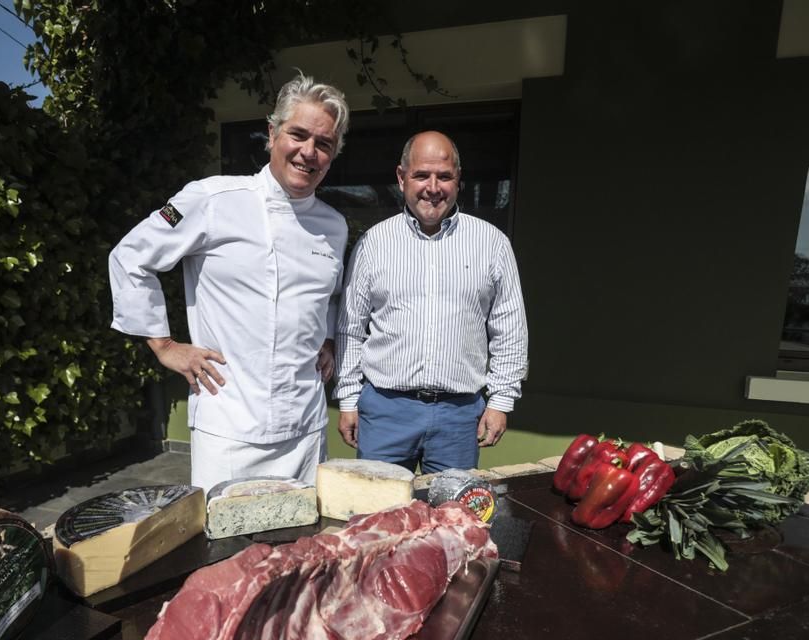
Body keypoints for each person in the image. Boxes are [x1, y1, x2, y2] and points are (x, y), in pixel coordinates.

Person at [108, 72, 350, 492]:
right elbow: (130, 257)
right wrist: (164, 346)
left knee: (299, 550)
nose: (308, 152)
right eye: (298, 134)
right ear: (272, 133)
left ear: (333, 153)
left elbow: (327, 296)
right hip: (229, 427)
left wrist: (327, 339)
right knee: (227, 551)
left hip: (305, 427)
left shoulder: (335, 225)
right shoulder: (211, 199)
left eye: (324, 143)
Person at [334, 131, 528, 474]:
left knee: (452, 520)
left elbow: (509, 328)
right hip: (385, 412)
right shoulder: (373, 244)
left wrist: (501, 401)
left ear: (458, 180)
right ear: (401, 177)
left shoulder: (491, 243)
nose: (433, 187)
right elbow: (350, 327)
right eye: (422, 175)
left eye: (445, 176)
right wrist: (349, 398)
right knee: (379, 518)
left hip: (460, 416)